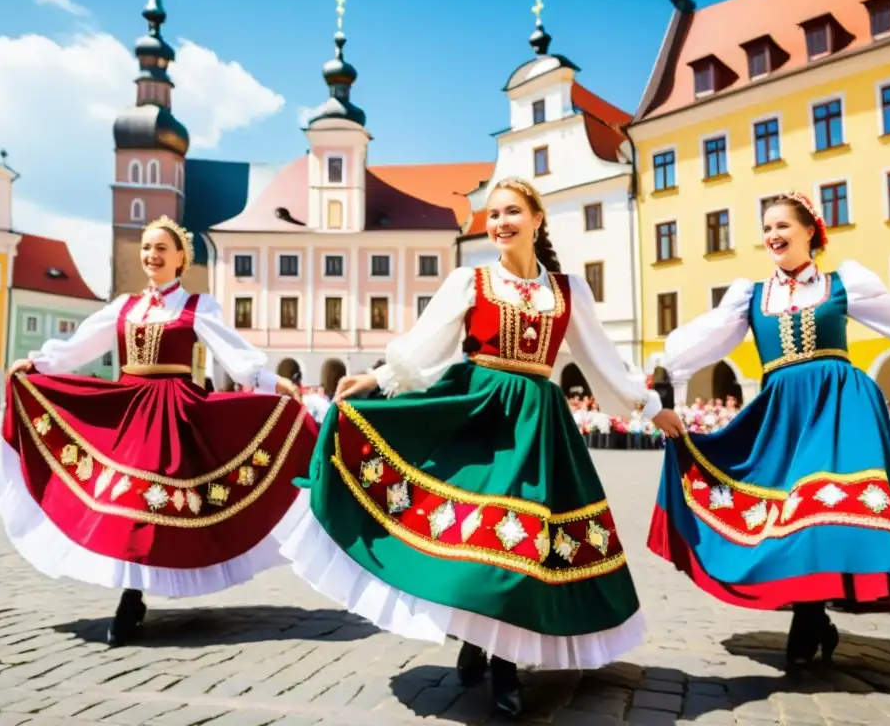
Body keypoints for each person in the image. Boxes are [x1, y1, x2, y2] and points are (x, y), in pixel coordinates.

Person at [280, 177, 682, 718]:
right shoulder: (470, 280)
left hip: (539, 424)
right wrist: (374, 379)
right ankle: (493, 653)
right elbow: (426, 346)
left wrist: (653, 409)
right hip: (478, 415)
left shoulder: (568, 291)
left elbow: (603, 363)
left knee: (524, 544)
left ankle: (495, 652)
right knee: (482, 541)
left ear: (537, 219)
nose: (500, 224)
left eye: (512, 212)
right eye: (493, 215)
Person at [648, 192, 890, 668]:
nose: (773, 235)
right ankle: (815, 618)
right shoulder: (751, 296)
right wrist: (661, 366)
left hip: (841, 407)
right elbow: (704, 339)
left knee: (825, 506)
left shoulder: (842, 284)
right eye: (766, 228)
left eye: (783, 225)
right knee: (790, 515)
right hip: (783, 414)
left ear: (811, 231)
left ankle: (808, 617)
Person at [0, 217, 317, 647]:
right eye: (146, 247)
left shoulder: (197, 306)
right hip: (129, 406)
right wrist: (39, 365)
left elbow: (235, 356)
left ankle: (135, 594)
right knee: (128, 501)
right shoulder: (124, 306)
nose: (151, 255)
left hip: (175, 410)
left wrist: (272, 383)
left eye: (161, 248)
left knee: (158, 503)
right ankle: (132, 595)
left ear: (180, 258)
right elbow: (82, 345)